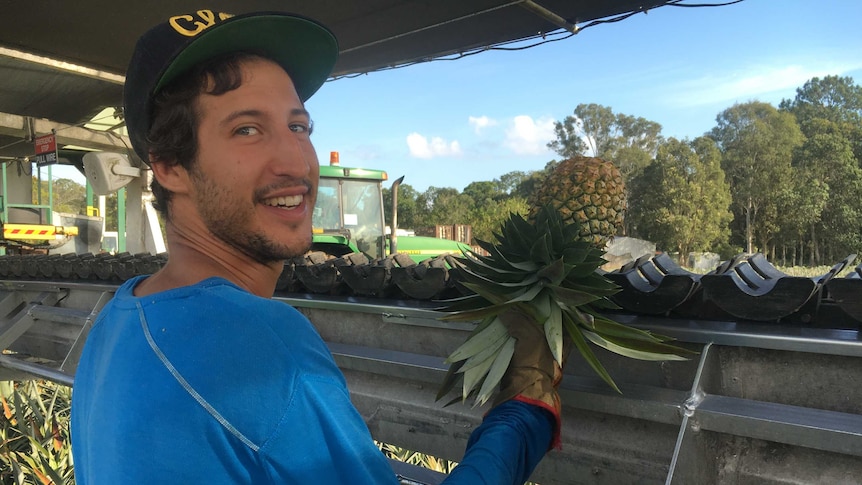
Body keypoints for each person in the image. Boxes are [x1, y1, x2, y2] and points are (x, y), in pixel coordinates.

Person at [70, 10, 564, 484]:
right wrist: (523, 417)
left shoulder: (116, 320)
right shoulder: (257, 339)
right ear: (169, 166)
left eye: (298, 127)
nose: (295, 161)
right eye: (247, 129)